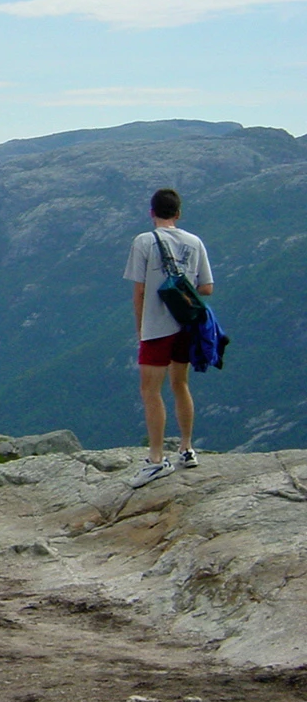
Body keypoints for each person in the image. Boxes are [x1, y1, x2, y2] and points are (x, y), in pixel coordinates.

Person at [122, 188, 214, 488]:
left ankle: (156, 459)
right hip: (186, 325)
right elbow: (206, 288)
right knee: (180, 384)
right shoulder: (194, 242)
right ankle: (186, 448)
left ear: (152, 212)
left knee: (151, 391)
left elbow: (139, 290)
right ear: (178, 213)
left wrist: (140, 328)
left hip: (156, 326)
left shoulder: (144, 241)